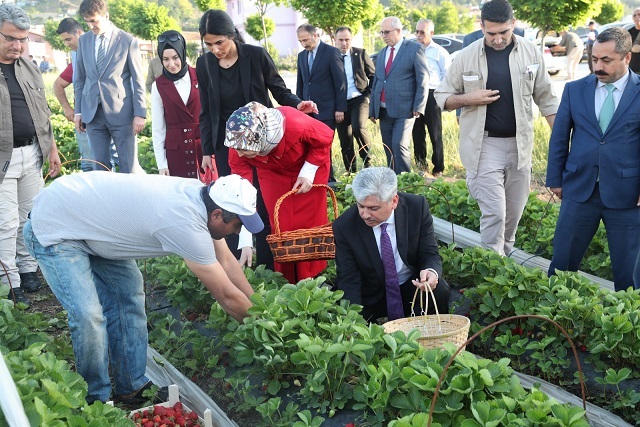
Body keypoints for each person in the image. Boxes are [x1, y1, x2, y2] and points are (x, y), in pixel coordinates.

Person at [24, 173, 264, 403]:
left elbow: (226, 262)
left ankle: (131, 385)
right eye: (236, 225)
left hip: (95, 227)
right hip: (57, 225)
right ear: (217, 215)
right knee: (89, 316)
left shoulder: (203, 198)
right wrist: (264, 328)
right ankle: (95, 398)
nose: (238, 232)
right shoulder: (182, 221)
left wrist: (259, 307)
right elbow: (226, 295)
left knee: (129, 296)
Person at [435, 0, 558, 257]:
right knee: (495, 213)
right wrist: (468, 99)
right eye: (491, 33)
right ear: (481, 26)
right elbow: (442, 96)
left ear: (513, 24)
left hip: (520, 145)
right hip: (484, 145)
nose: (498, 39)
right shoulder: (466, 56)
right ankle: (492, 267)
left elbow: (546, 98)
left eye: (504, 32)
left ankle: (504, 262)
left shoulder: (530, 52)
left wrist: (562, 143)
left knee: (513, 215)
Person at [197, 9, 317, 269]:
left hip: (262, 143)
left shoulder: (255, 55)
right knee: (232, 201)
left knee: (262, 200)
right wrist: (207, 151)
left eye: (220, 42)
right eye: (209, 44)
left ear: (232, 35)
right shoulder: (204, 64)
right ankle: (238, 258)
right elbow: (206, 111)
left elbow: (279, 90)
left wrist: (298, 105)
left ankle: (268, 259)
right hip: (225, 144)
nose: (215, 49)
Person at [546, 27, 640, 291]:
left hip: (628, 194)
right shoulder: (575, 90)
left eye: (606, 60)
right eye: (594, 59)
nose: (598, 66)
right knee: (562, 264)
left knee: (630, 274)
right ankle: (553, 316)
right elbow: (560, 137)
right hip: (579, 189)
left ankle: (630, 325)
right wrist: (555, 178)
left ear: (626, 58)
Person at [224, 102, 333, 284]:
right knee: (280, 222)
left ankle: (313, 277)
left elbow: (325, 138)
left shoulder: (294, 123)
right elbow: (241, 192)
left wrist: (307, 172)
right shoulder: (239, 141)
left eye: (245, 152)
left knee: (308, 223)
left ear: (261, 137)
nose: (240, 155)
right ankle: (287, 277)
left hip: (308, 166)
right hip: (272, 172)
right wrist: (245, 240)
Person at [0, 4, 61, 307]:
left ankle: (27, 269)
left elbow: (43, 111)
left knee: (30, 217)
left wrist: (51, 147)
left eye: (22, 39)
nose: (18, 45)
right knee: (6, 222)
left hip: (31, 153)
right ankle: (8, 280)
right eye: (11, 38)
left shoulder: (29, 66)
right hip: (3, 159)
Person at [332, 167, 450, 323]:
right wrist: (351, 319)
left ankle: (437, 336)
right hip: (371, 292)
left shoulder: (416, 207)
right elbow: (348, 276)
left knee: (439, 290)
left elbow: (429, 252)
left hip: (411, 285)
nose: (365, 215)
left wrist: (431, 271)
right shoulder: (345, 225)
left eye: (373, 208)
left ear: (394, 201)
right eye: (361, 206)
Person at [74, 0, 146, 174]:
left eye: (94, 21)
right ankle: (107, 201)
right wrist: (78, 111)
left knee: (128, 166)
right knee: (100, 167)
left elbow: (138, 79)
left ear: (106, 16)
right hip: (92, 113)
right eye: (87, 21)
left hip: (121, 113)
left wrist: (140, 113)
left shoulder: (128, 41)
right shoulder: (83, 41)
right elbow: (80, 79)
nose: (91, 25)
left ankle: (130, 201)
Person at [369, 17, 429, 174]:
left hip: (405, 109)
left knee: (399, 145)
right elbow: (377, 81)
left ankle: (405, 185)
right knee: (388, 147)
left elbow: (423, 79)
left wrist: (419, 106)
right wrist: (373, 109)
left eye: (387, 32)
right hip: (383, 110)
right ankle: (393, 184)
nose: (384, 36)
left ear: (398, 31)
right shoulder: (382, 53)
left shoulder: (414, 48)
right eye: (382, 32)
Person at [151, 30, 202, 178]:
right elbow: (158, 128)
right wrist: (162, 164)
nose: (171, 64)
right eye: (165, 59)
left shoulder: (200, 75)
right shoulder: (158, 85)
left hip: (202, 149)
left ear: (182, 53)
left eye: (175, 57)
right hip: (176, 153)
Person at [53, 17, 94, 173]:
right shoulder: (75, 57)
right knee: (88, 164)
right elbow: (57, 85)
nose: (67, 44)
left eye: (68, 39)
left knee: (103, 163)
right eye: (64, 40)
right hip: (82, 118)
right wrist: (68, 108)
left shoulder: (96, 51)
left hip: (100, 117)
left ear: (79, 32)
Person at [411, 19, 450, 177]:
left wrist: (442, 96)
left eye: (423, 32)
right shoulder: (412, 49)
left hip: (433, 95)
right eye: (417, 32)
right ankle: (421, 166)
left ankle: (438, 168)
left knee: (435, 133)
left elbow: (447, 75)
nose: (419, 35)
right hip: (415, 95)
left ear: (431, 33)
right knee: (417, 133)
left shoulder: (439, 52)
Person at [334, 26, 375, 173]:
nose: (344, 43)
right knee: (345, 140)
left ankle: (368, 163)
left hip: (359, 99)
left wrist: (368, 96)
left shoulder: (360, 53)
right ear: (335, 40)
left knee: (358, 128)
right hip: (340, 104)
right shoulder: (331, 56)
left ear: (351, 40)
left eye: (347, 40)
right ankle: (351, 171)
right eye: (341, 40)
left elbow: (373, 76)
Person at [629, 8, 640, 74]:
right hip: (633, 69)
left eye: (639, 14)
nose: (637, 17)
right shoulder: (628, 33)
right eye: (634, 15)